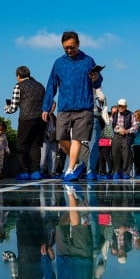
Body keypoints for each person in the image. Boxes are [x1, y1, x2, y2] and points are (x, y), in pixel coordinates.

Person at [41, 186, 105, 279]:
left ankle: (76, 202)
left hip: (63, 256)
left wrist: (46, 258)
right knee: (76, 224)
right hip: (83, 255)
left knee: (62, 223)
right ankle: (71, 192)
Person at [43, 31, 102, 182]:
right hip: (64, 106)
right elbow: (51, 85)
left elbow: (97, 83)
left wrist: (96, 78)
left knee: (76, 139)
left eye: (72, 47)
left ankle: (70, 169)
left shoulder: (88, 61)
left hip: (84, 106)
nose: (69, 50)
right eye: (66, 48)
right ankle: (78, 163)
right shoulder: (58, 63)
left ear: (78, 44)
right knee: (61, 138)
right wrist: (46, 106)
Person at [5, 65, 47, 181]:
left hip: (26, 119)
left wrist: (6, 108)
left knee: (21, 145)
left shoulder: (18, 86)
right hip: (40, 119)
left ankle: (24, 172)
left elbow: (13, 108)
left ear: (18, 76)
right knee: (35, 145)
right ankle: (36, 172)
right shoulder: (40, 86)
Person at [110, 99, 136, 180]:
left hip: (126, 137)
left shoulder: (131, 114)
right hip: (116, 136)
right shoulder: (114, 115)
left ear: (126, 106)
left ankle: (126, 173)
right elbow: (109, 126)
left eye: (122, 106)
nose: (120, 107)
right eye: (119, 106)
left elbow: (135, 127)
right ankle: (116, 172)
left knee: (126, 155)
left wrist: (127, 131)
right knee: (115, 154)